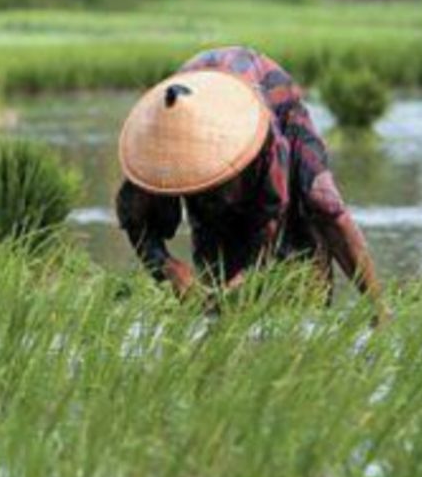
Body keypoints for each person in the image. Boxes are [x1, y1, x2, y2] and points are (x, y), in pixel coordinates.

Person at [115, 46, 385, 317]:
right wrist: (168, 269)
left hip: (271, 98)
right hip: (196, 113)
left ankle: (379, 312)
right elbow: (135, 224)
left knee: (321, 202)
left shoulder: (260, 135)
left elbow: (272, 215)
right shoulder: (153, 148)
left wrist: (245, 277)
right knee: (216, 287)